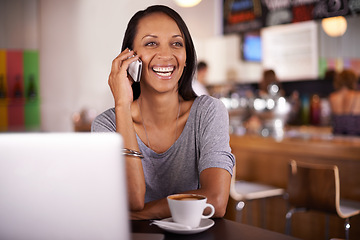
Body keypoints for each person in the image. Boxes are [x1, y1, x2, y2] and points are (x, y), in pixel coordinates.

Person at [91, 5, 235, 220]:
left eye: (176, 44)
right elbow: (133, 199)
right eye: (151, 43)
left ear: (186, 57)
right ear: (130, 58)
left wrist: (141, 214)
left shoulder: (208, 112)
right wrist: (122, 104)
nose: (166, 55)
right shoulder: (107, 125)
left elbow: (215, 199)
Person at [329, 69, 360, 135]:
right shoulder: (357, 96)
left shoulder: (332, 97)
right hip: (355, 139)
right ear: (353, 81)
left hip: (337, 137)